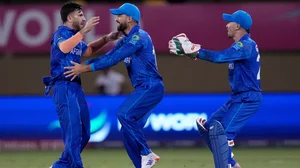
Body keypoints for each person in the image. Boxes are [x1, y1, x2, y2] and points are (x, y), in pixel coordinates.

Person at [63, 3, 164, 168]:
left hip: (151, 87)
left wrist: (85, 68)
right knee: (126, 130)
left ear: (129, 18)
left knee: (123, 114)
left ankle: (147, 153)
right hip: (144, 89)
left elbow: (113, 60)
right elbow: (108, 56)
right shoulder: (127, 40)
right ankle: (142, 165)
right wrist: (84, 65)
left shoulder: (139, 37)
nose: (116, 19)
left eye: (119, 15)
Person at [168, 10, 262, 168]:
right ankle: (231, 164)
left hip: (248, 98)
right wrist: (193, 53)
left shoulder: (246, 45)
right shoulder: (241, 46)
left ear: (238, 26)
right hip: (237, 98)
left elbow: (220, 57)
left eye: (230, 22)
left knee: (221, 134)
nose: (227, 25)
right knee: (209, 128)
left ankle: (226, 165)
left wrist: (194, 50)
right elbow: (220, 57)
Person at [42, 2, 120, 168]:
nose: (84, 19)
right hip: (63, 86)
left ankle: (60, 166)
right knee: (74, 133)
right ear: (70, 17)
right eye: (80, 15)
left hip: (76, 87)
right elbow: (63, 48)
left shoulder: (76, 37)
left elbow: (89, 51)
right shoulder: (61, 33)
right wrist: (84, 31)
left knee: (84, 133)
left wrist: (106, 38)